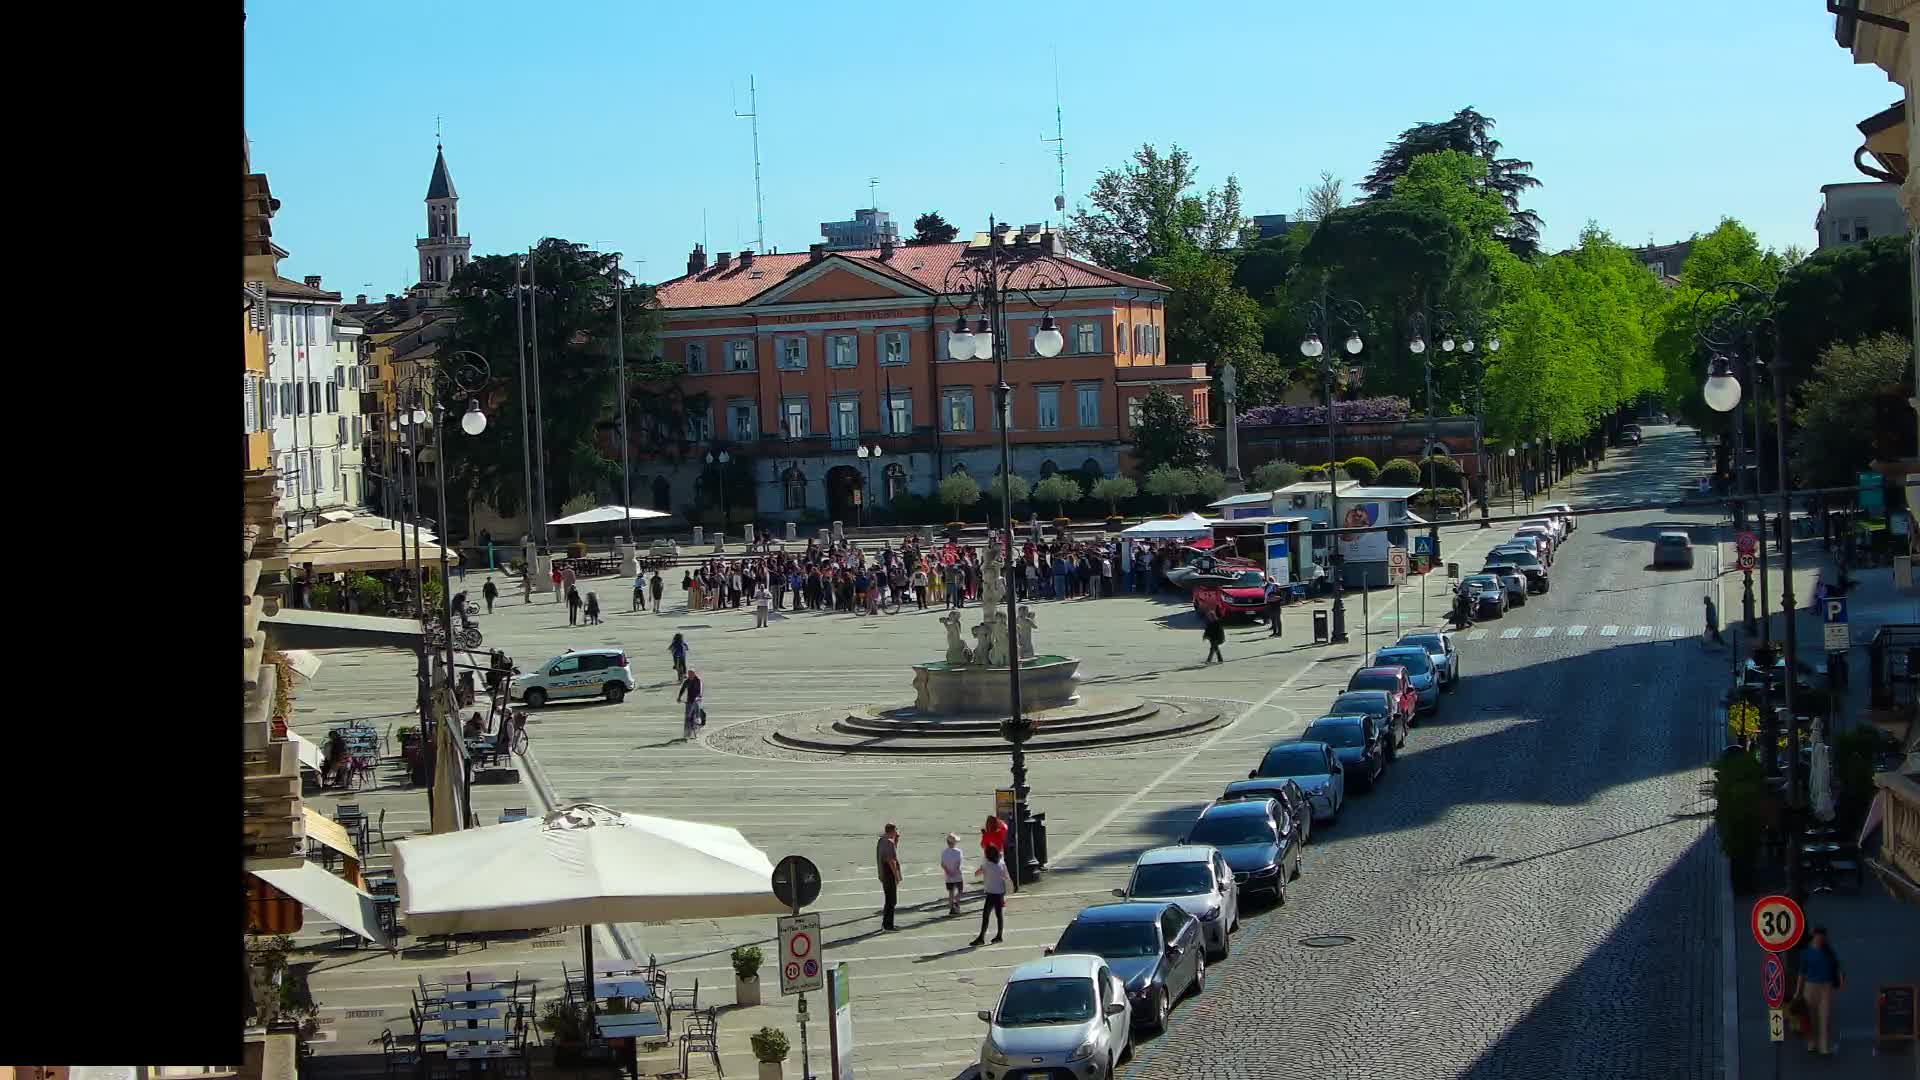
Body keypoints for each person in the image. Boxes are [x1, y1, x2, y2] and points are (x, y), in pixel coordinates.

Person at [1794, 927, 1845, 1055]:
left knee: (1825, 1017)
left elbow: (1837, 968)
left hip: (1825, 987)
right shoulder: (1806, 953)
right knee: (1810, 1018)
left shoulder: (1828, 952)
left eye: (1823, 937)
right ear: (1814, 937)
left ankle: (1824, 1047)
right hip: (1810, 986)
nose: (1822, 940)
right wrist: (1797, 991)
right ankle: (1812, 1043)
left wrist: (1841, 983)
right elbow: (1802, 974)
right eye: (1820, 937)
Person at [969, 844, 1009, 947]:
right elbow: (1006, 876)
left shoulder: (987, 864)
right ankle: (999, 936)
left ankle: (981, 937)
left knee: (986, 916)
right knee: (999, 915)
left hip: (991, 893)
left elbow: (976, 874)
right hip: (1000, 893)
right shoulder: (1001, 863)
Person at [875, 823, 902, 931]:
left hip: (883, 874)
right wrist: (896, 876)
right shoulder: (889, 842)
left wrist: (896, 840)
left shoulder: (882, 840)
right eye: (896, 830)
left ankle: (886, 924)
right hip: (889, 874)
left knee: (888, 900)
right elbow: (891, 860)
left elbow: (891, 852)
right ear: (892, 831)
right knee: (892, 901)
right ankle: (888, 925)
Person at [676, 666, 705, 740]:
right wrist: (679, 697)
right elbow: (682, 689)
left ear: (694, 674)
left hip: (697, 700)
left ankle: (697, 729)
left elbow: (700, 690)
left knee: (697, 716)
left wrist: (699, 696)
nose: (690, 676)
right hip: (689, 700)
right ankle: (686, 732)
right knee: (687, 717)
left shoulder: (698, 680)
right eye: (689, 674)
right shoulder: (687, 681)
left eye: (691, 674)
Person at [941, 832, 966, 916]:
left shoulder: (944, 852)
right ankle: (956, 903)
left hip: (948, 876)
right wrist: (955, 871)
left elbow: (943, 864)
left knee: (951, 892)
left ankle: (952, 908)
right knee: (960, 890)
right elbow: (958, 863)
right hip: (957, 875)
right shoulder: (958, 852)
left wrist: (948, 871)